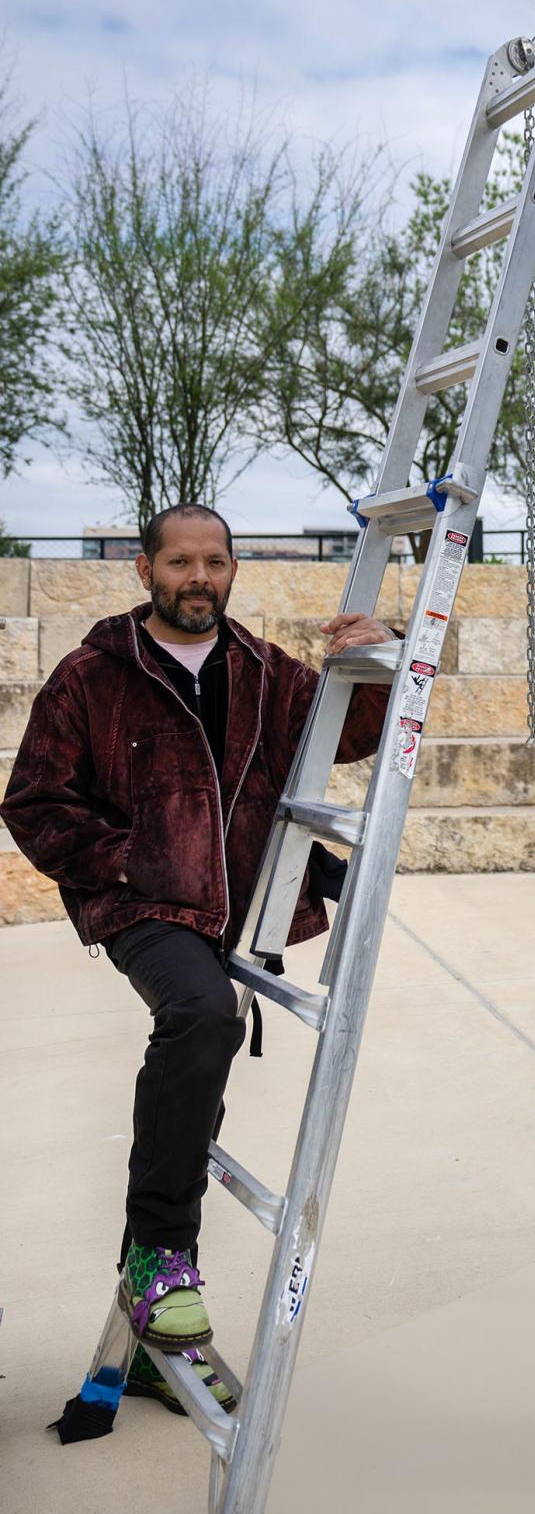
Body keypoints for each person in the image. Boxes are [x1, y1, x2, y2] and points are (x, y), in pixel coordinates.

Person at [1, 503, 397, 1415]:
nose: (200, 578)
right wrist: (129, 859)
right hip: (143, 906)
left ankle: (142, 1346)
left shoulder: (263, 669)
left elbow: (352, 732)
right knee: (202, 1014)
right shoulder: (94, 675)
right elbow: (33, 802)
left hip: (233, 908)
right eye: (180, 561)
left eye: (215, 562)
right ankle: (158, 1255)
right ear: (145, 569)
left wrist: (387, 649)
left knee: (200, 1079)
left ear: (232, 568)